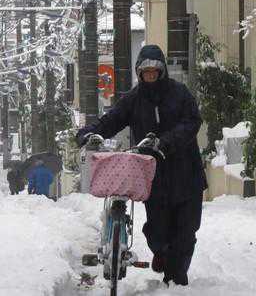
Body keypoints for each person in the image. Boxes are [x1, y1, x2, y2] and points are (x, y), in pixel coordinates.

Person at [77, 44, 207, 286]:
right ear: (139, 73)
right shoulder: (134, 99)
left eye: (154, 72)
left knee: (186, 233)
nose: (149, 76)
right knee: (158, 232)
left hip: (186, 174)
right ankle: (161, 254)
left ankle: (176, 280)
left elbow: (192, 122)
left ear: (162, 72)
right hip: (152, 176)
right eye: (145, 72)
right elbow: (111, 120)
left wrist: (164, 142)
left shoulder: (180, 94)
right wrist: (87, 133)